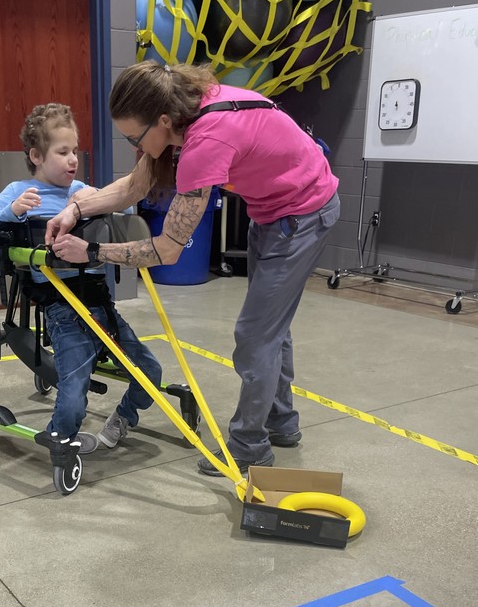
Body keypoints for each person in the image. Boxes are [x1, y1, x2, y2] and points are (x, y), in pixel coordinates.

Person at [45, 60, 340, 476]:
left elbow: (167, 250)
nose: (135, 145)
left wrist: (92, 251)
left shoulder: (206, 141)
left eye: (135, 137)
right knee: (270, 329)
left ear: (162, 120)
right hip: (272, 213)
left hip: (302, 215)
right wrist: (75, 207)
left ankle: (248, 447)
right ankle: (280, 423)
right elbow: (135, 185)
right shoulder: (183, 109)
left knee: (255, 336)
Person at [0, 102, 162, 455]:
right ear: (36, 155)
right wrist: (13, 213)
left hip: (99, 301)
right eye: (62, 151)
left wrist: (94, 200)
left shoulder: (82, 190)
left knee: (151, 371)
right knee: (74, 392)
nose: (73, 159)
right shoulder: (20, 191)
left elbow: (123, 216)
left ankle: (122, 419)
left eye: (75, 150)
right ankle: (60, 440)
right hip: (61, 307)